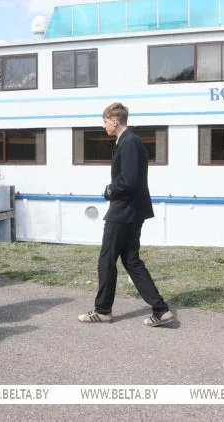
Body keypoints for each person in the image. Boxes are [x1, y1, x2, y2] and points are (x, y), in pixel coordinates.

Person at [78, 102, 174, 327]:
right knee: (131, 260)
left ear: (114, 120)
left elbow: (128, 180)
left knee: (106, 260)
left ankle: (103, 311)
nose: (103, 126)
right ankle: (161, 310)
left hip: (123, 211)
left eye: (104, 122)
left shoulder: (129, 142)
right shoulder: (130, 140)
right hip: (133, 211)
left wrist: (109, 190)